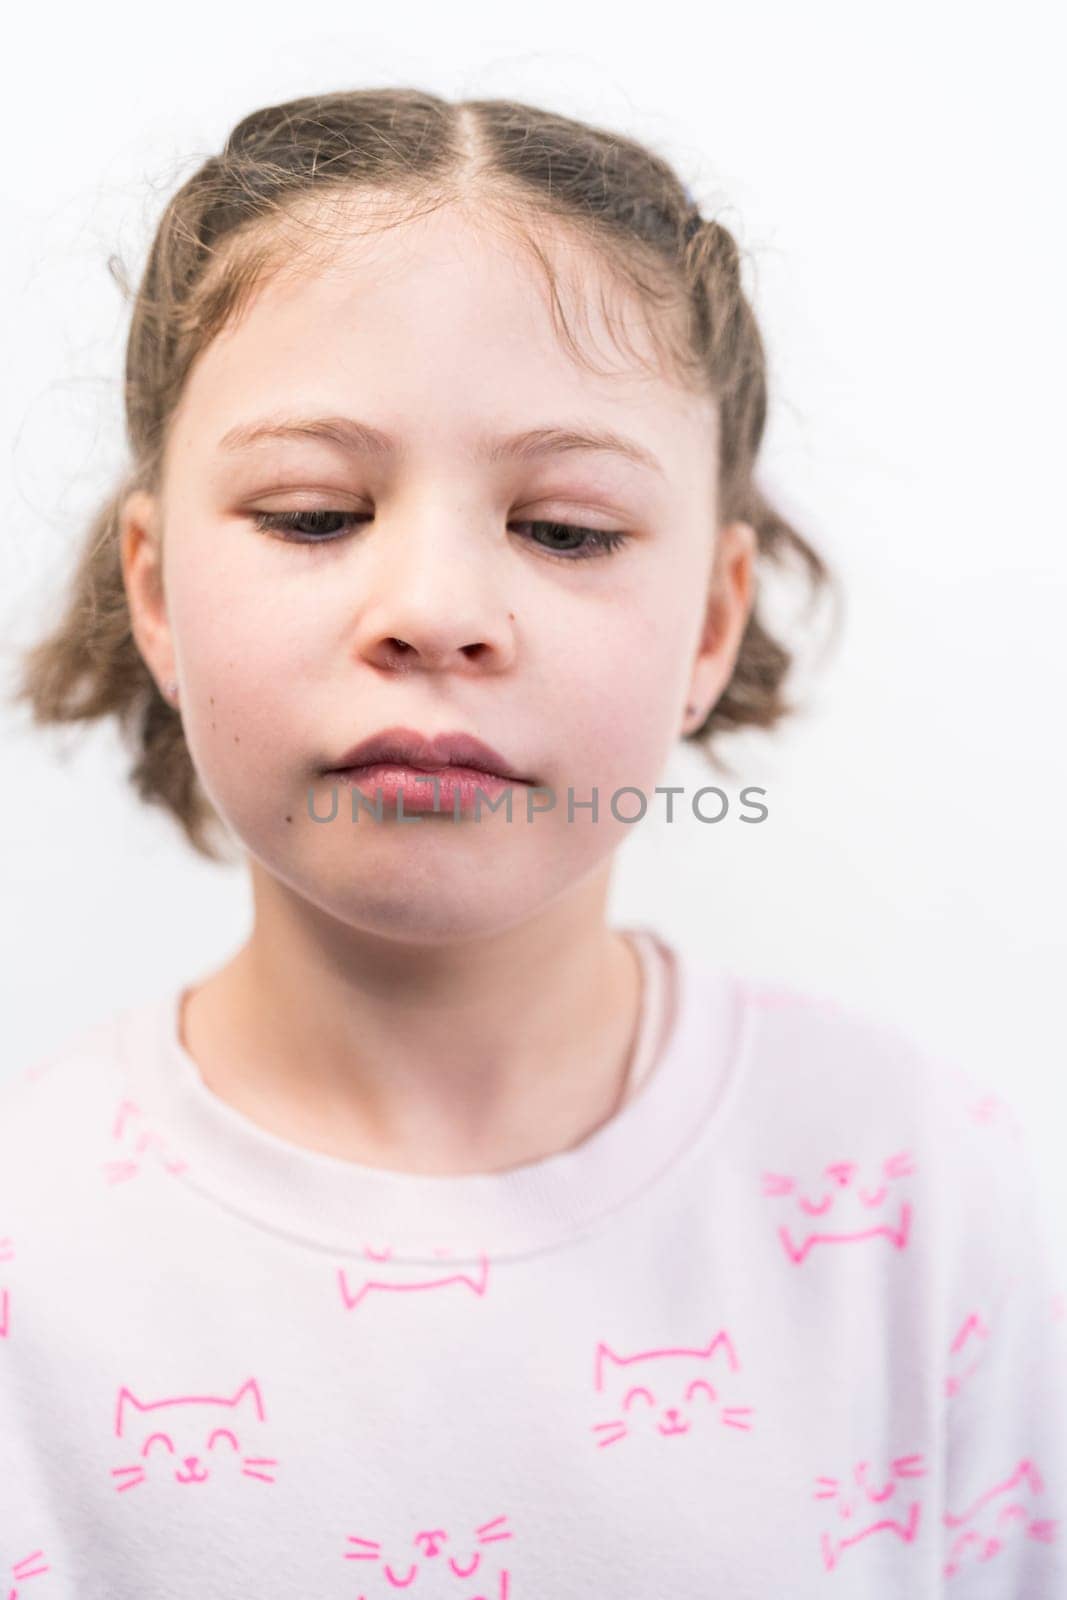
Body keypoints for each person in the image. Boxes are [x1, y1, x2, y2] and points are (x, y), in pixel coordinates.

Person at [2, 86, 1063, 1598]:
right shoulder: (27, 1250)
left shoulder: (914, 1190)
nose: (435, 608)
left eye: (565, 529)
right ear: (157, 593)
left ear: (709, 621)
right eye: (314, 513)